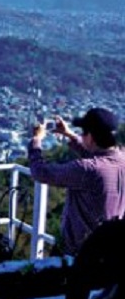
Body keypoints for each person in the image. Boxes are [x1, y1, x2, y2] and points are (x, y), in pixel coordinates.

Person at [29, 107, 125, 256]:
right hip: (111, 250)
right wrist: (69, 135)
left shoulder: (86, 170)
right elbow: (100, 158)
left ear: (91, 137)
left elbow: (41, 172)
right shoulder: (121, 159)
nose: (82, 135)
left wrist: (36, 141)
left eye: (84, 132)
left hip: (79, 253)